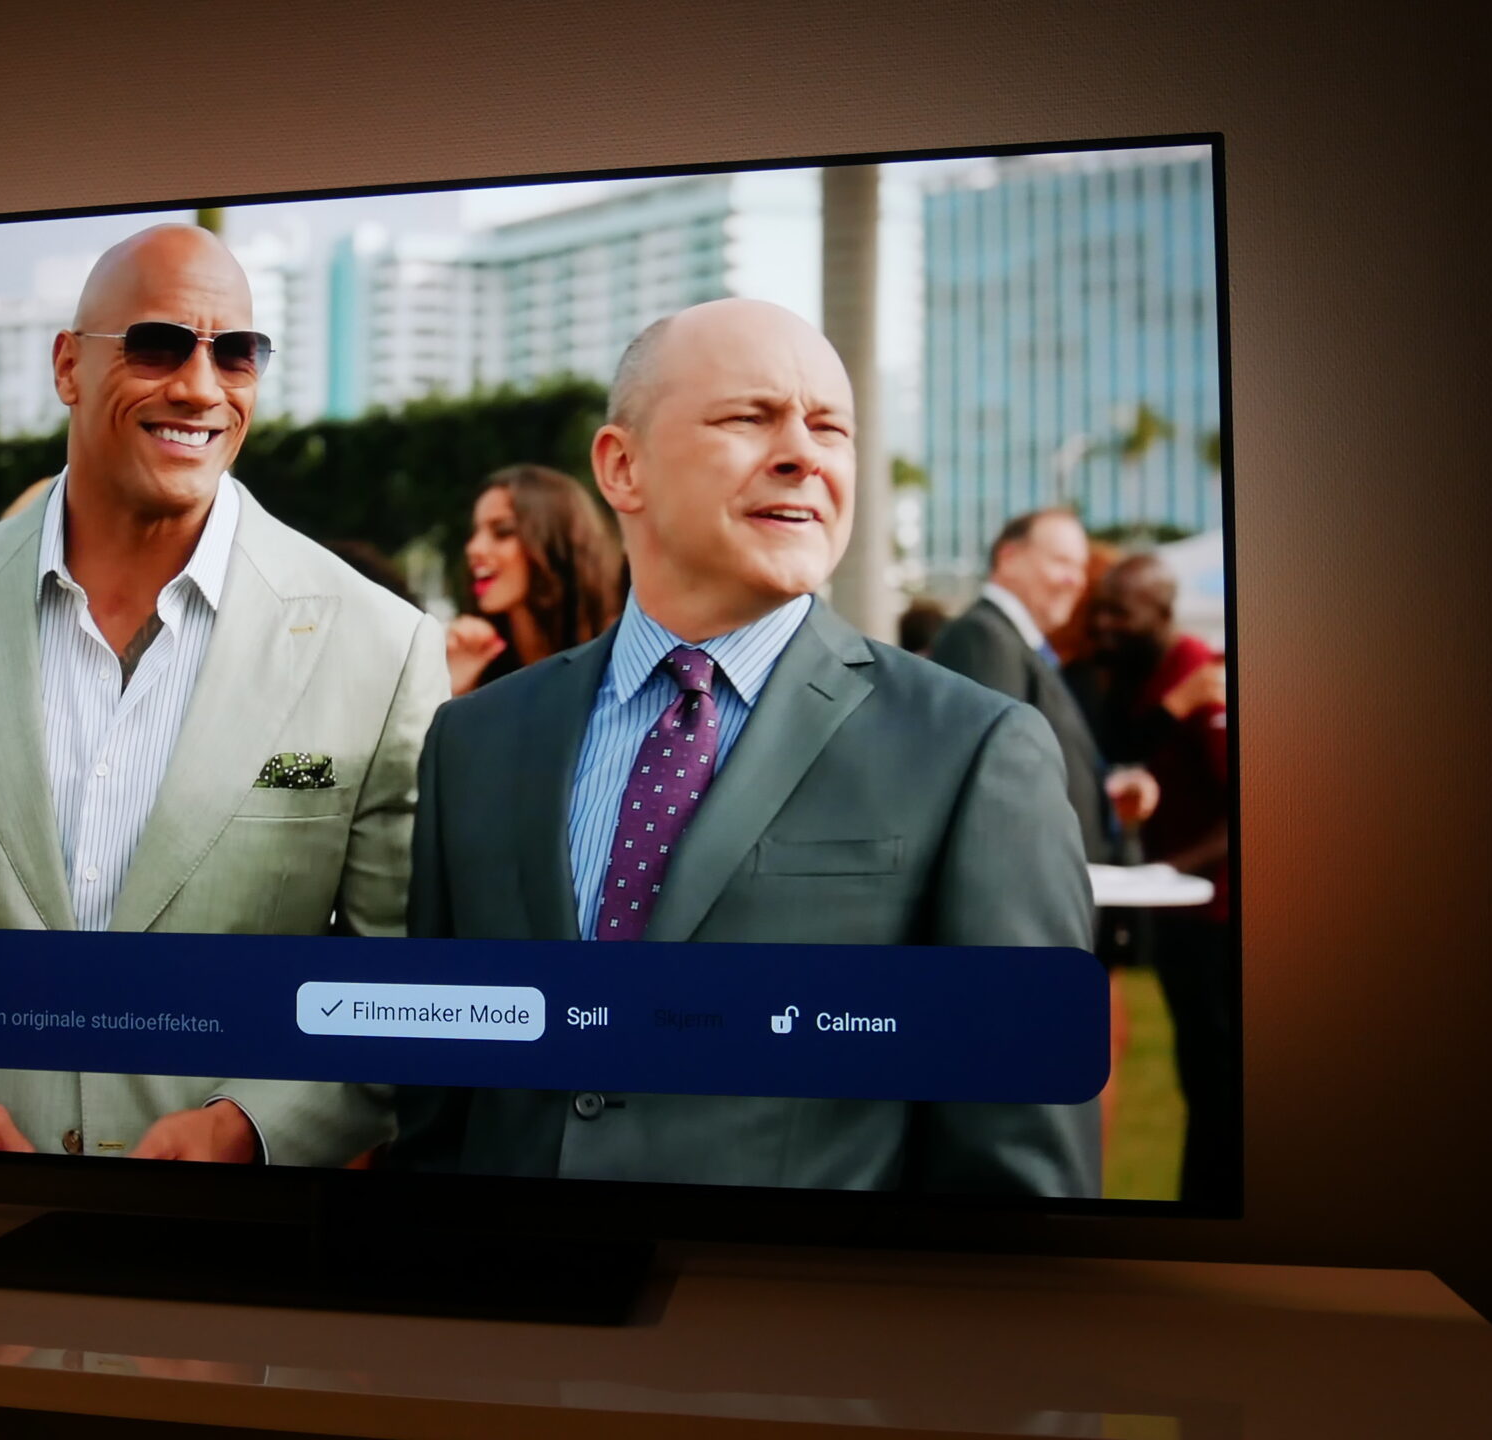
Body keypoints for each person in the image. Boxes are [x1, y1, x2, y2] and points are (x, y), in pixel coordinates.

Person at [390, 298, 1098, 1195]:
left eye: (829, 427)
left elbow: (1020, 1170)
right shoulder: (477, 740)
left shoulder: (973, 750)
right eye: (750, 417)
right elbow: (440, 1092)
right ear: (622, 467)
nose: (804, 454)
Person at [0, 224, 448, 1164]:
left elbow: (394, 975)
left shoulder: (381, 647)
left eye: (236, 353)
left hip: (235, 1237)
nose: (200, 386)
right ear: (68, 366)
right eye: (157, 345)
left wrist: (254, 1127)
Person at [1082, 554, 1234, 1206]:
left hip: (1214, 918)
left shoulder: (1199, 672)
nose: (1105, 624)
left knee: (1220, 1082)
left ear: (1162, 613)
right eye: (1101, 610)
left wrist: (1169, 868)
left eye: (1121, 612)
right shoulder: (1142, 680)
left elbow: (1246, 808)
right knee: (1196, 1076)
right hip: (1175, 917)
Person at [931, 510, 1157, 865]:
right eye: (1062, 562)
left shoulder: (1016, 644)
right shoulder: (985, 638)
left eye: (1080, 568)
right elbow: (997, 785)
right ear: (1009, 558)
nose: (1076, 581)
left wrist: (1105, 788)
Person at [445, 464, 624, 695]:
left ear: (554, 543)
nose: (473, 549)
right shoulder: (479, 663)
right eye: (475, 532)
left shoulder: (618, 651)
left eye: (502, 531)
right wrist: (453, 689)